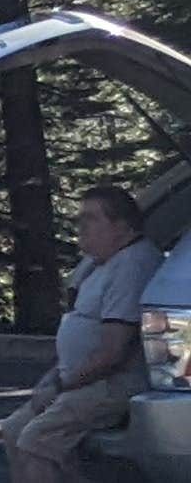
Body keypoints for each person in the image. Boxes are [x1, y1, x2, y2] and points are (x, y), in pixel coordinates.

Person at [11, 183, 162, 483]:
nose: (80, 225)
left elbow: (112, 353)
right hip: (81, 381)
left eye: (91, 218)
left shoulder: (132, 265)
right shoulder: (98, 264)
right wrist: (53, 379)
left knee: (37, 439)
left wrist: (60, 388)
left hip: (114, 383)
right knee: (14, 429)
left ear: (122, 226)